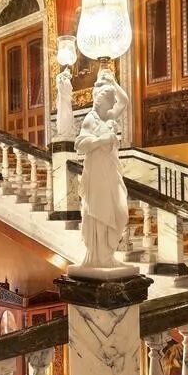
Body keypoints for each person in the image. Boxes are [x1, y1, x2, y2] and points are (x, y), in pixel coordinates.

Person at [74, 69, 130, 270]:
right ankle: (101, 257)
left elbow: (124, 101)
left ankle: (108, 254)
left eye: (111, 99)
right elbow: (80, 144)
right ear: (100, 100)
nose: (113, 103)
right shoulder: (91, 119)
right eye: (109, 99)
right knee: (99, 210)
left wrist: (113, 81)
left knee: (120, 212)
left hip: (111, 169)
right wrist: (102, 140)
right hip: (96, 171)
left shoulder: (110, 115)